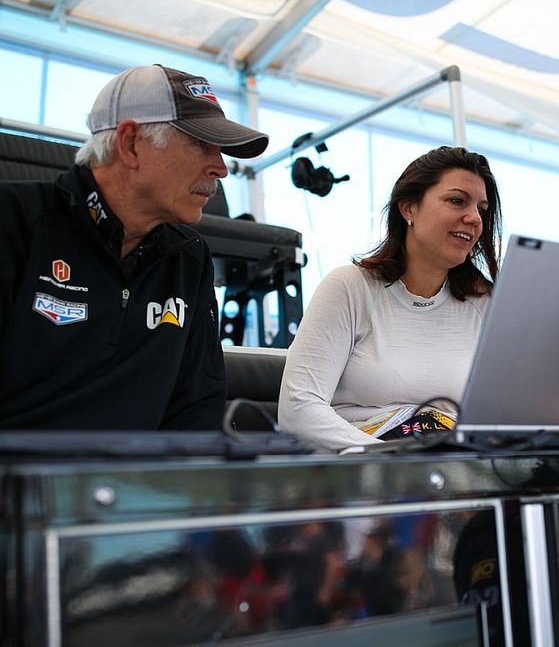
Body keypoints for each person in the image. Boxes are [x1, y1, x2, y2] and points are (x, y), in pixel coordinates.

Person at [0, 64, 269, 430]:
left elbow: (196, 411)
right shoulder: (13, 221)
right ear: (129, 144)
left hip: (138, 485)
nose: (220, 168)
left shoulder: (189, 257)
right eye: (199, 144)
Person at [278, 146, 502, 450]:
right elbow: (298, 410)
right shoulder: (349, 287)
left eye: (482, 210)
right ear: (409, 208)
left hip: (451, 468)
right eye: (457, 201)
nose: (474, 218)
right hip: (365, 472)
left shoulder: (486, 303)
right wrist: (392, 462)